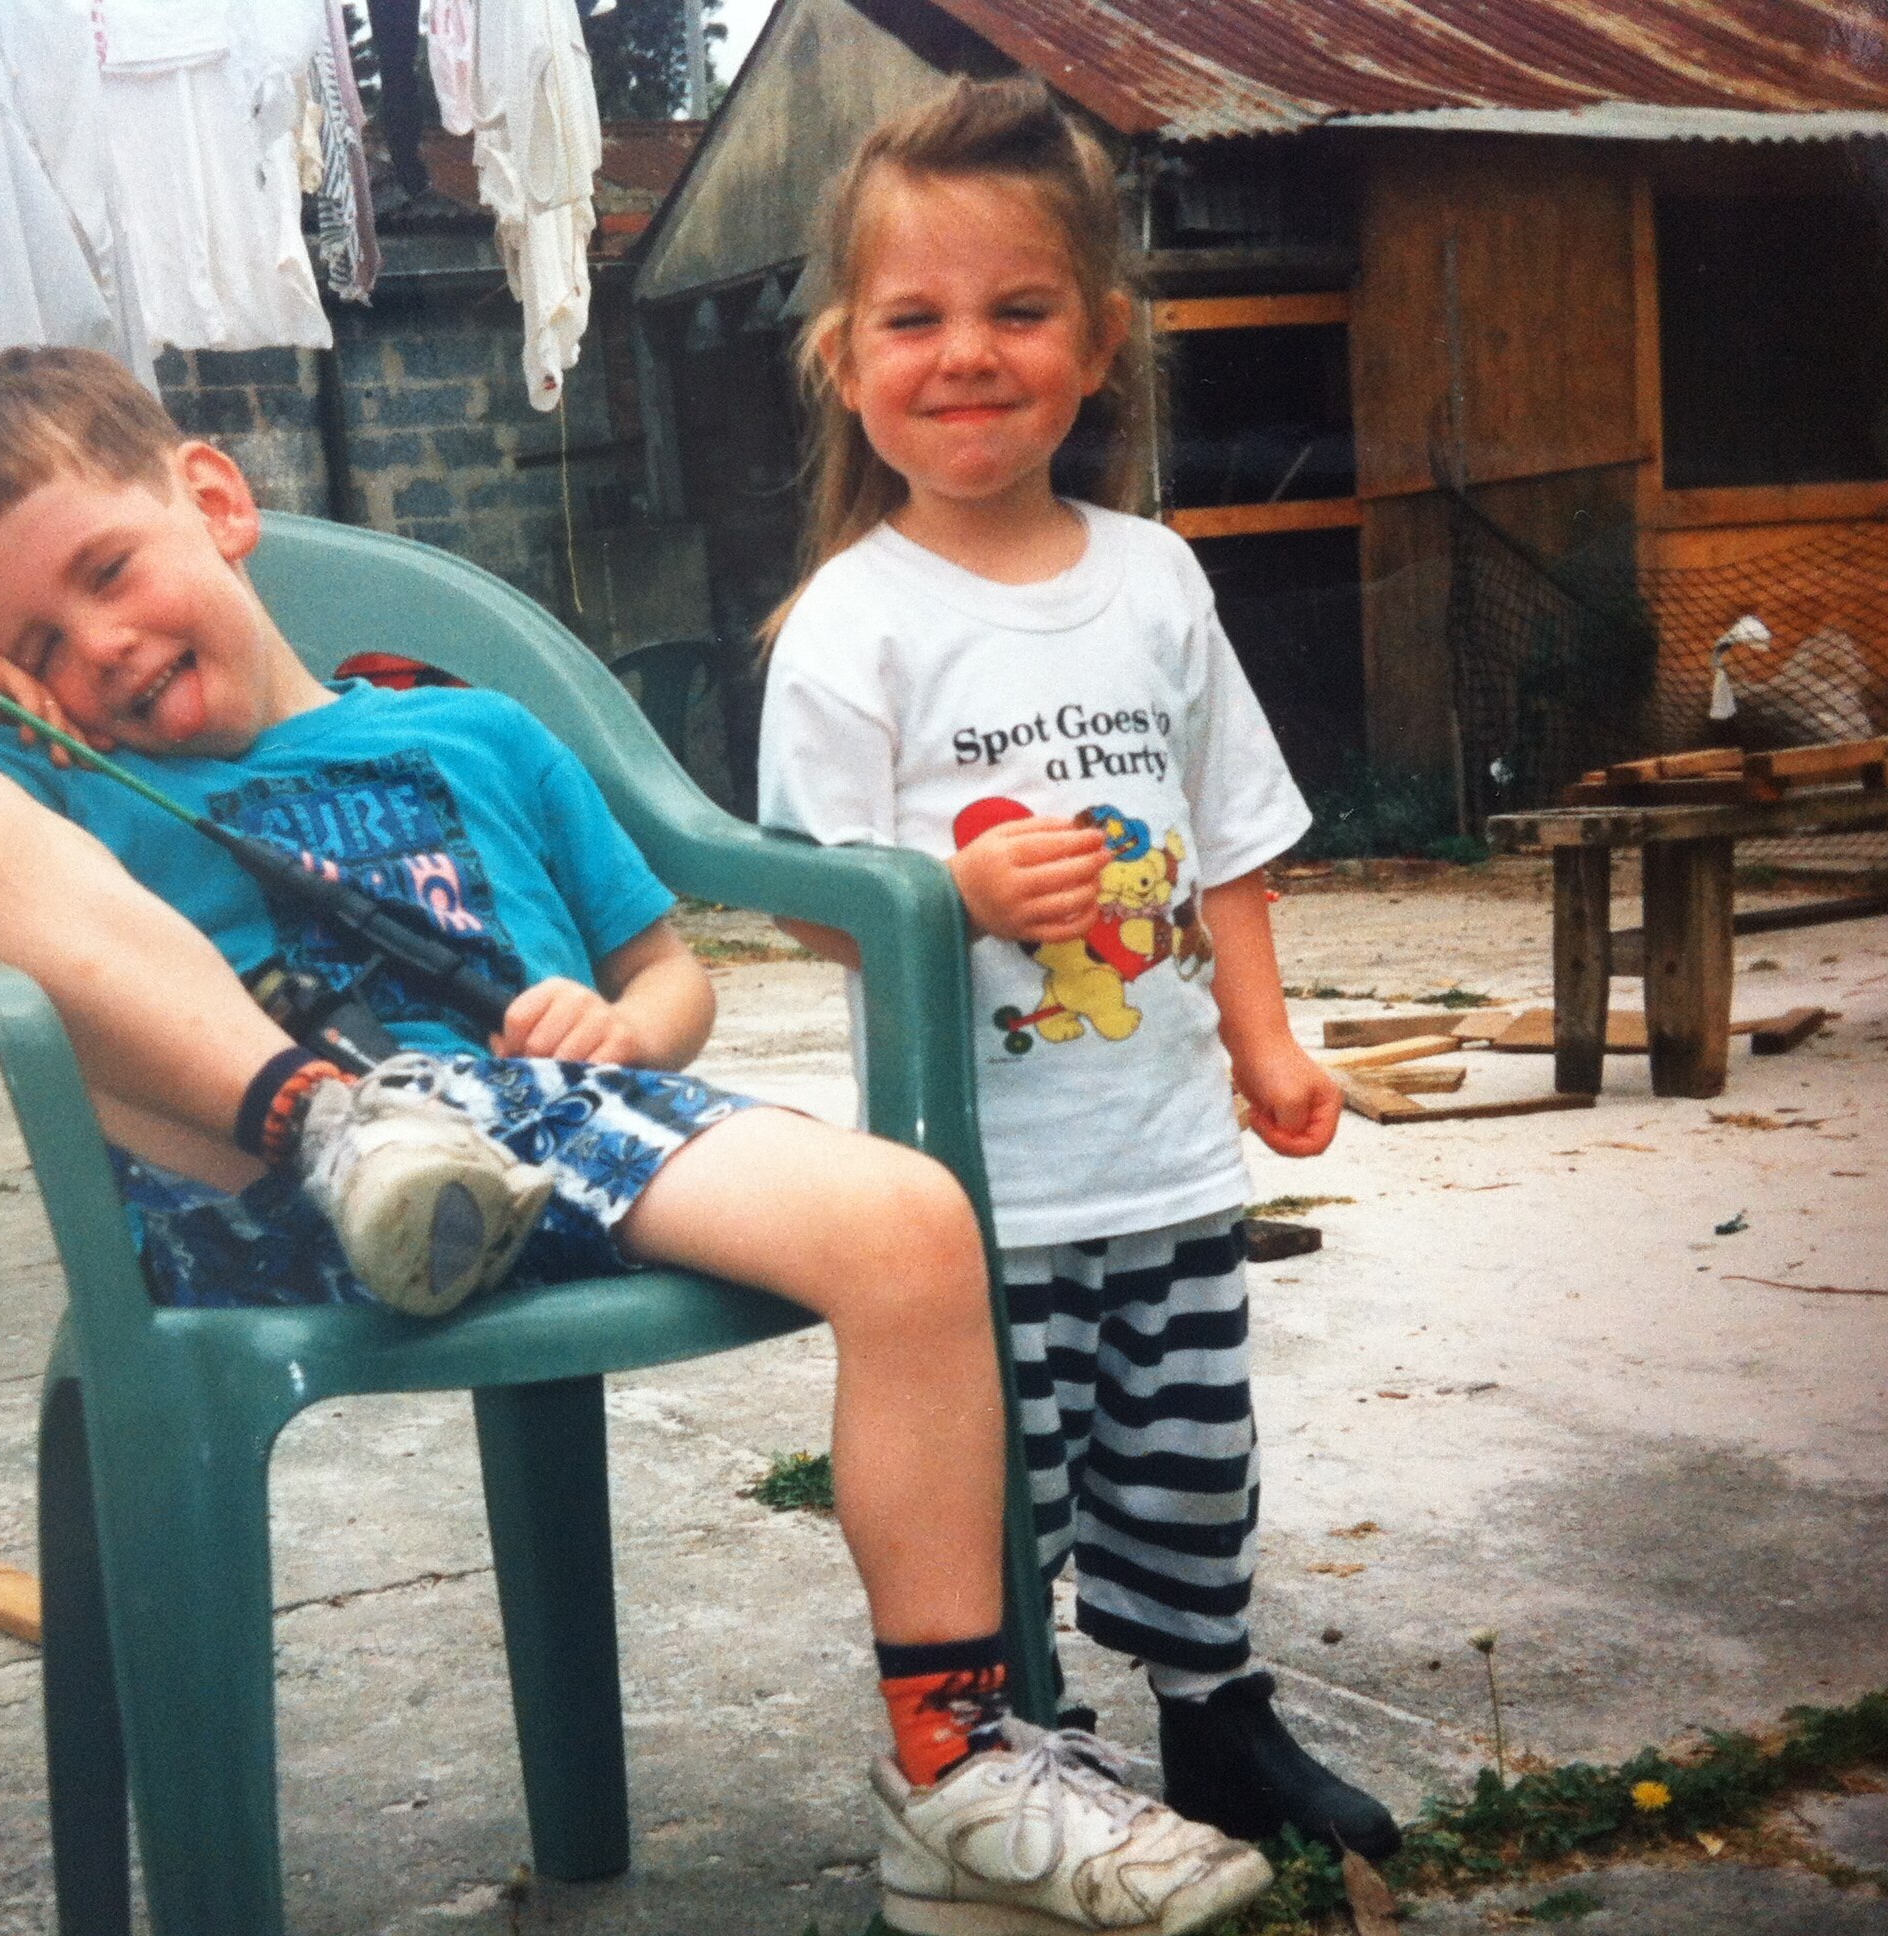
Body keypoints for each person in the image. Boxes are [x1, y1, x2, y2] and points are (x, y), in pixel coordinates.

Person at [0, 345, 1275, 1934]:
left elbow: (669, 975)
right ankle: (340, 1124)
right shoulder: (58, 778)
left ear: (215, 503)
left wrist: (624, 1027)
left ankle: (955, 1770)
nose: (97, 647)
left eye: (107, 572)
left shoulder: (482, 737)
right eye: (39, 639)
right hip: (252, 1166)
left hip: (542, 1127)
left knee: (911, 1220)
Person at [754, 79, 1400, 1863]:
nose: (968, 354)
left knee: (1193, 1462)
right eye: (917, 318)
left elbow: (1233, 830)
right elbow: (808, 896)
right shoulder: (854, 623)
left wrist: (1266, 1040)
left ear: (1101, 341)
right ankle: (1024, 1755)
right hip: (978, 1188)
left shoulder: (1156, 580)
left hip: (1166, 1148)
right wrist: (946, 894)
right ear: (844, 355)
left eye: (1018, 310)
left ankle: (1218, 1723)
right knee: (1005, 1490)